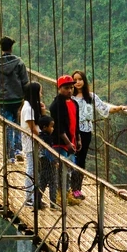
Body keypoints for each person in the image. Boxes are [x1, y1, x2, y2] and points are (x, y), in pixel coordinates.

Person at [69, 70, 127, 201]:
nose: (77, 82)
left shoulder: (91, 97)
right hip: (71, 132)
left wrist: (118, 108)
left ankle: (76, 189)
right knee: (69, 159)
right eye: (75, 79)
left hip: (85, 132)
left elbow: (104, 109)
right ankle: (67, 188)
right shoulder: (70, 97)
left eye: (80, 79)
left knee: (80, 160)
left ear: (84, 81)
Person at [0, 36, 30, 163]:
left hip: (4, 100)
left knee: (8, 126)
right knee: (17, 124)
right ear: (11, 47)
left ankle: (10, 155)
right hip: (18, 99)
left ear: (1, 47)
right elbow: (25, 82)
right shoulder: (19, 63)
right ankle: (18, 149)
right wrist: (26, 99)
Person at [48, 74, 82, 205]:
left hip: (71, 142)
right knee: (61, 170)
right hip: (60, 143)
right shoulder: (56, 105)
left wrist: (78, 139)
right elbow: (59, 127)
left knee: (69, 170)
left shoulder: (74, 103)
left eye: (71, 88)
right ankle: (58, 196)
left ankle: (66, 194)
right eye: (66, 88)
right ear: (59, 88)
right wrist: (67, 143)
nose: (70, 90)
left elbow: (76, 123)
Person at [21, 81, 46, 208]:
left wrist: (42, 111)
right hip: (31, 143)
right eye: (39, 91)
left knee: (35, 169)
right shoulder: (28, 109)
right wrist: (43, 139)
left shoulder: (30, 106)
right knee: (31, 169)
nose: (41, 94)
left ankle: (34, 197)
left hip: (33, 142)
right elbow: (33, 130)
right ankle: (29, 198)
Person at [33, 116, 59, 209]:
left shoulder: (39, 136)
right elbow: (48, 151)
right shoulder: (48, 138)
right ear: (44, 127)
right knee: (53, 183)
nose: (52, 128)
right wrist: (54, 161)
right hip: (49, 162)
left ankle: (37, 202)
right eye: (51, 126)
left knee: (42, 182)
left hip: (41, 161)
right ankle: (53, 203)